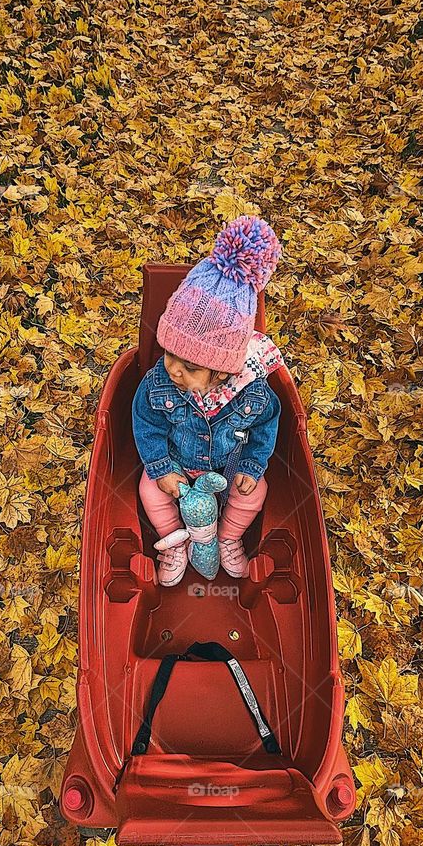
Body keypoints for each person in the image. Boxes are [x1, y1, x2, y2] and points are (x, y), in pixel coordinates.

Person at [131, 215, 285, 586]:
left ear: (221, 371)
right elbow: (146, 423)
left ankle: (227, 537)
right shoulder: (159, 383)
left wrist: (251, 466)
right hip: (179, 464)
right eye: (169, 354)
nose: (173, 370)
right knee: (148, 489)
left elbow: (267, 425)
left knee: (256, 491)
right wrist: (161, 467)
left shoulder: (250, 391)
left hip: (228, 463)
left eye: (188, 367)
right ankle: (175, 541)